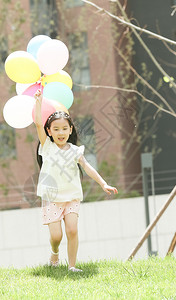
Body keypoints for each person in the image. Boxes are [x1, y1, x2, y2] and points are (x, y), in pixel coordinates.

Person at [34, 89, 118, 272]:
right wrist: (39, 101)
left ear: (70, 129)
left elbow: (87, 167)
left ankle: (72, 266)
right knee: (56, 236)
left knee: (72, 230)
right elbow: (38, 124)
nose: (61, 132)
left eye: (64, 128)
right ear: (49, 132)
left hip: (71, 197)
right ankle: (54, 253)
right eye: (56, 129)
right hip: (51, 197)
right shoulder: (46, 147)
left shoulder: (75, 150)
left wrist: (103, 183)